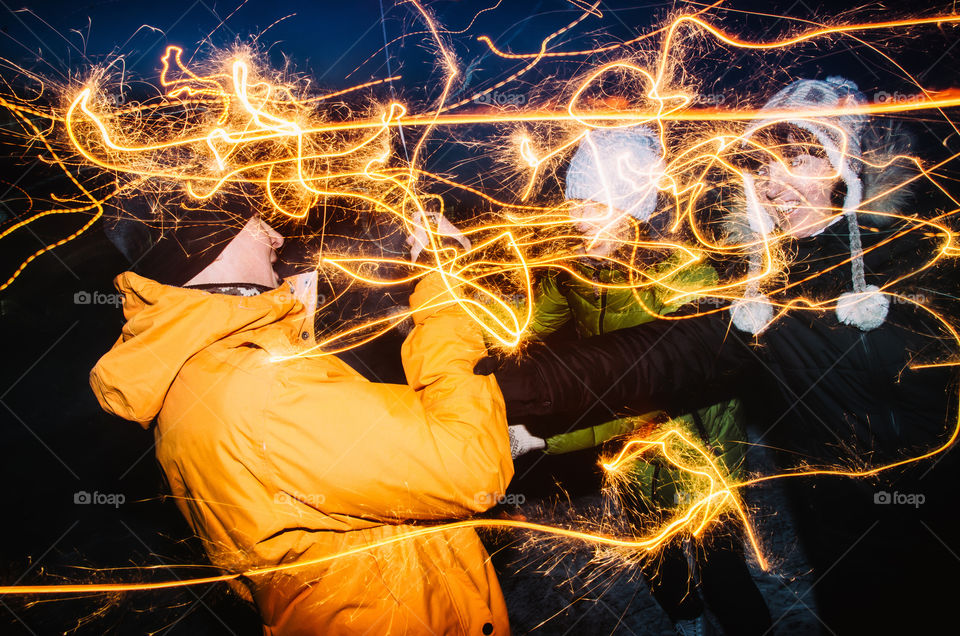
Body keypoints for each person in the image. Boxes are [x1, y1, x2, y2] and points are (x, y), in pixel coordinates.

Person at [479, 77, 959, 633]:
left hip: (926, 506)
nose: (774, 184)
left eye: (802, 157)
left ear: (845, 168)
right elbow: (659, 357)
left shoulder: (922, 267)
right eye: (763, 165)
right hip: (828, 509)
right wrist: (512, 386)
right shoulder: (765, 285)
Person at [90, 192, 514, 635]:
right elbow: (471, 467)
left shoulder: (191, 374)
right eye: (255, 224)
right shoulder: (262, 389)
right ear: (210, 249)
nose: (275, 236)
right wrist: (442, 287)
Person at [510, 126, 771, 635]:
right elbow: (519, 327)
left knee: (723, 571)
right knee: (659, 559)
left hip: (698, 451)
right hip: (630, 454)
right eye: (575, 204)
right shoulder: (572, 271)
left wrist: (543, 436)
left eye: (597, 206)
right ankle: (686, 624)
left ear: (633, 211)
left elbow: (650, 395)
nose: (578, 221)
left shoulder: (682, 280)